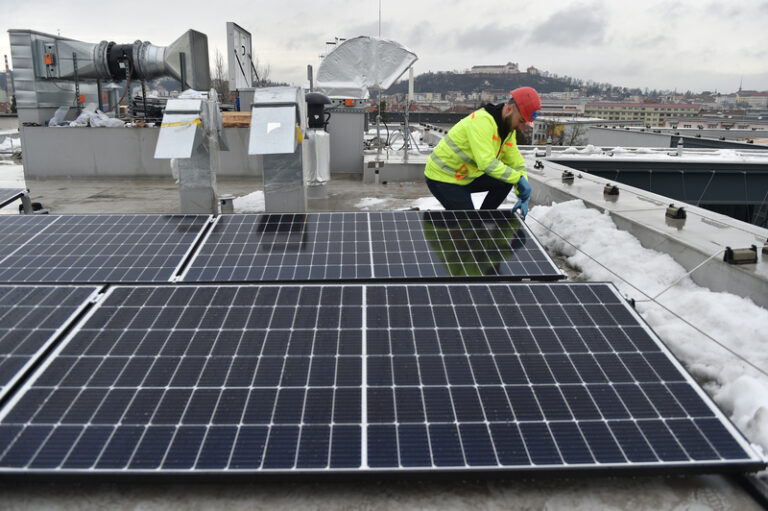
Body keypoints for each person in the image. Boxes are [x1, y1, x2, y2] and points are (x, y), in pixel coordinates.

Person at [424, 86, 541, 219]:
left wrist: (523, 193)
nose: (521, 127)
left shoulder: (507, 131)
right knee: (467, 222)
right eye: (521, 121)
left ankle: (484, 218)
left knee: (506, 180)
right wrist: (518, 179)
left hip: (465, 176)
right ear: (509, 109)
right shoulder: (482, 122)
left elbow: (517, 164)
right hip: (444, 177)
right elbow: (487, 164)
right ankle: (452, 223)